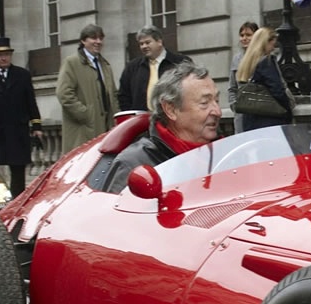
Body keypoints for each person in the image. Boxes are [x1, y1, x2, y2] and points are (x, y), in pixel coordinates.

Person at [103, 62, 221, 193]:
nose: (217, 111)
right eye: (204, 103)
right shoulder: (134, 164)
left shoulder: (230, 153)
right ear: (171, 109)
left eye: (217, 101)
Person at [0, 40, 44, 196]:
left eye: (6, 54)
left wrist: (37, 126)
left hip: (17, 129)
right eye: (0, 55)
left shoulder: (22, 75)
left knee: (18, 169)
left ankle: (17, 200)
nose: (3, 58)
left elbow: (31, 102)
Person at [57, 23, 118, 152]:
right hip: (83, 130)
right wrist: (86, 114)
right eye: (94, 38)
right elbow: (64, 94)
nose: (98, 42)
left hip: (106, 128)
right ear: (83, 41)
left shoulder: (105, 65)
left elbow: (113, 94)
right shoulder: (72, 62)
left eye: (101, 38)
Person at [117, 25, 191, 112]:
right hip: (141, 120)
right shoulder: (132, 67)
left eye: (148, 42)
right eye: (141, 44)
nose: (144, 46)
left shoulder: (180, 63)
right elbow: (123, 95)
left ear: (159, 42)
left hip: (172, 118)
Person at [233, 26, 293, 131]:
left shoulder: (246, 62)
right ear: (265, 42)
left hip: (250, 120)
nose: (273, 48)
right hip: (269, 120)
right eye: (272, 44)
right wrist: (287, 110)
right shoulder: (266, 62)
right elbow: (277, 90)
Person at [228, 20, 260, 134]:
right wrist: (235, 106)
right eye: (242, 35)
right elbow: (232, 87)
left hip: (259, 112)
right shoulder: (236, 59)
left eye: (248, 35)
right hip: (241, 114)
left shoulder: (263, 57)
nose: (244, 38)